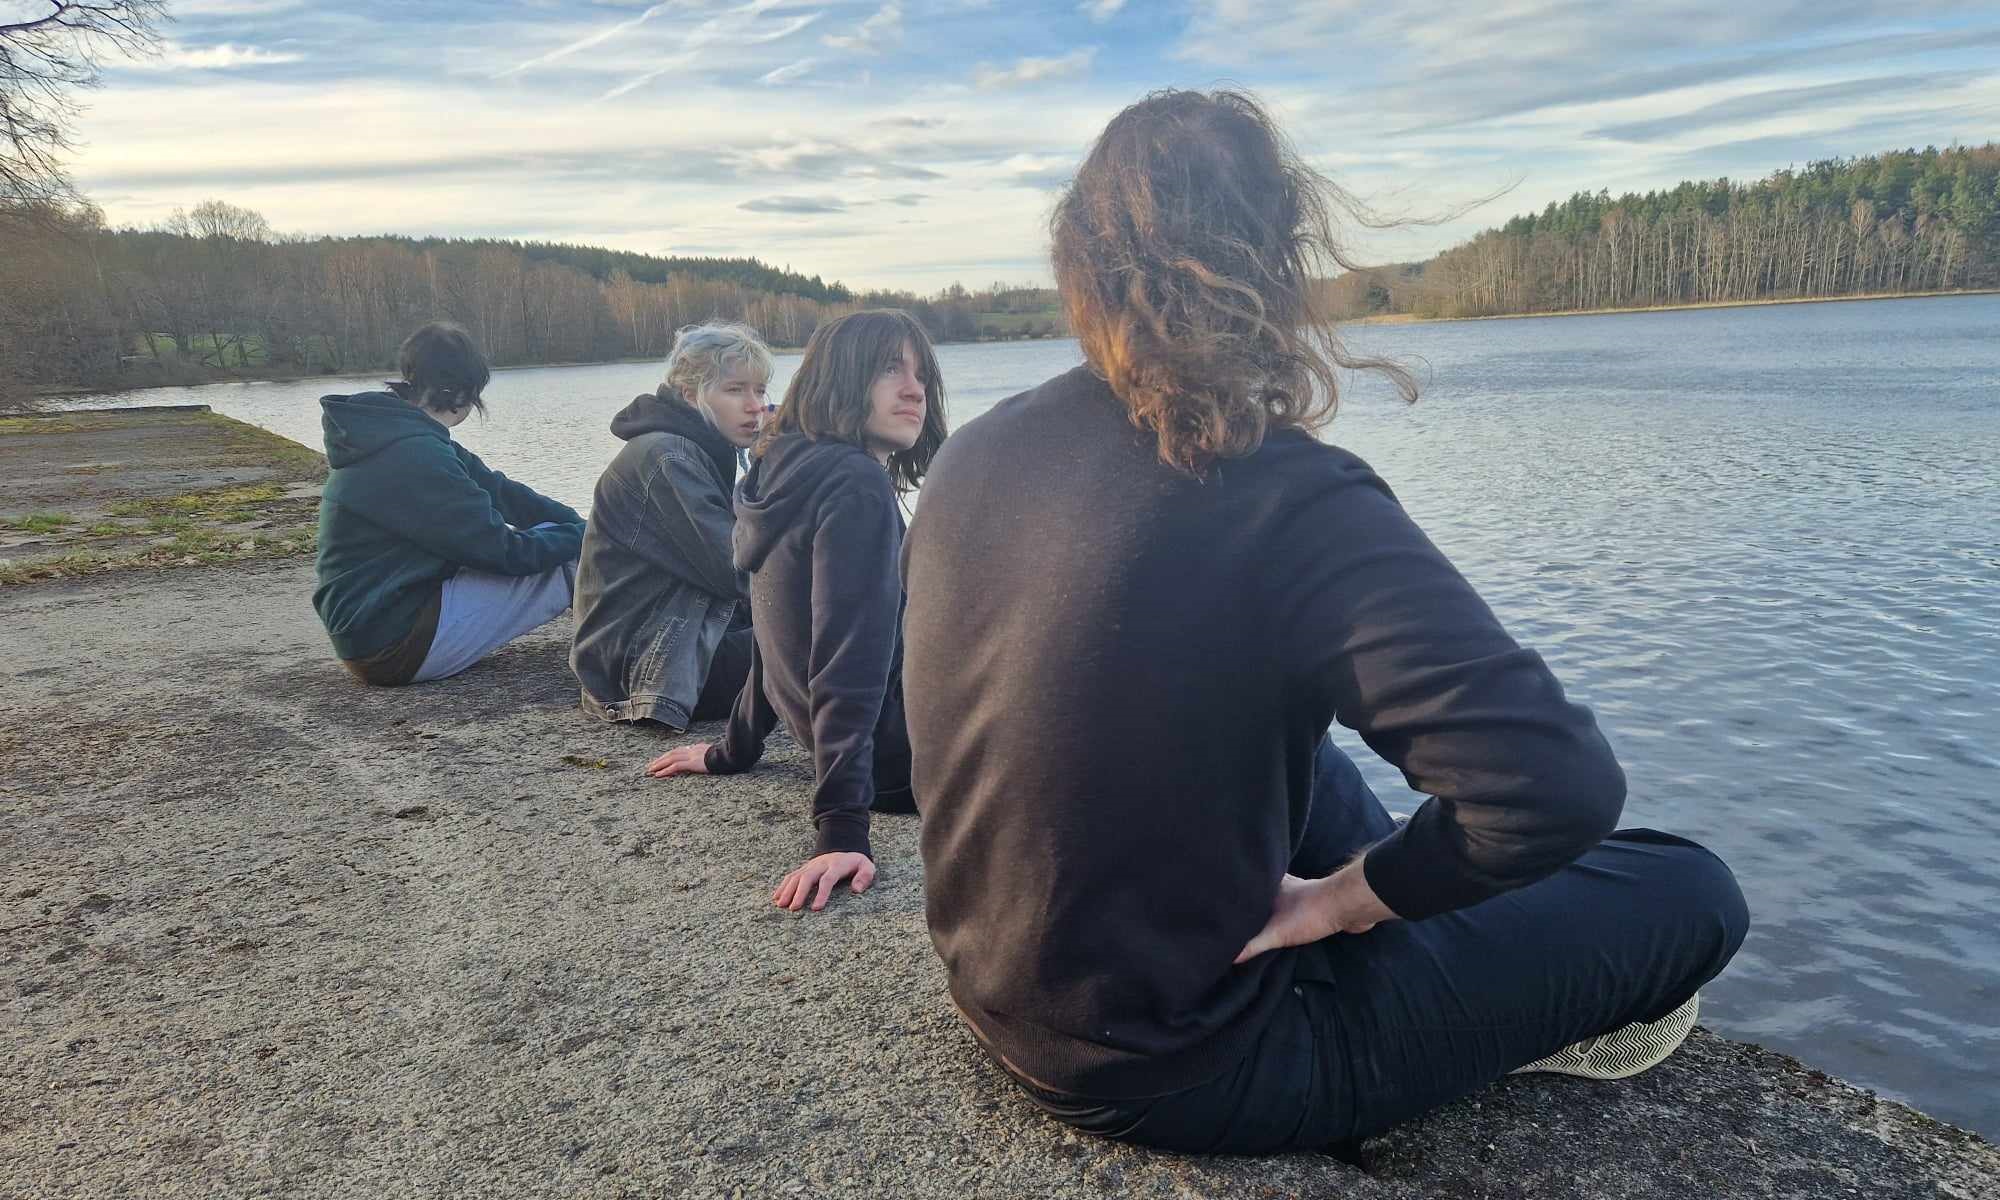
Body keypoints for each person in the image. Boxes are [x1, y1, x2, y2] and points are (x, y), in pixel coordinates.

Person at [899, 89, 1750, 1153]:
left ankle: (1392, 914)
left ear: (1078, 263)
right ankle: (1415, 964)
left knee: (1308, 763)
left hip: (1000, 998)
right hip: (1187, 1063)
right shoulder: (1273, 492)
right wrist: (1340, 905)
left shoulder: (973, 454)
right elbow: (1550, 789)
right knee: (1690, 888)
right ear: (1275, 260)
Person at [646, 310, 946, 914]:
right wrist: (841, 828)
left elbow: (776, 632)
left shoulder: (779, 468)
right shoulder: (856, 484)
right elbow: (847, 654)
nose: (913, 388)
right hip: (903, 755)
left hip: (871, 749)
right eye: (889, 369)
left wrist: (732, 750)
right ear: (840, 378)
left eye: (920, 373)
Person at [313, 322, 584, 686]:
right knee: (572, 561)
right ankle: (618, 654)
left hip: (373, 628)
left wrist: (583, 524)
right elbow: (506, 553)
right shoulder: (417, 454)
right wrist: (588, 539)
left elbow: (502, 492)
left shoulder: (397, 433)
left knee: (566, 538)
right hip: (394, 648)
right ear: (464, 393)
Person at [570, 323, 774, 729]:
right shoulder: (668, 458)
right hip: (647, 664)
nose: (755, 406)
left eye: (761, 390)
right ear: (689, 394)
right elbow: (737, 569)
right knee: (843, 638)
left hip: (669, 639)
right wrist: (777, 464)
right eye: (735, 390)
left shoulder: (695, 447)